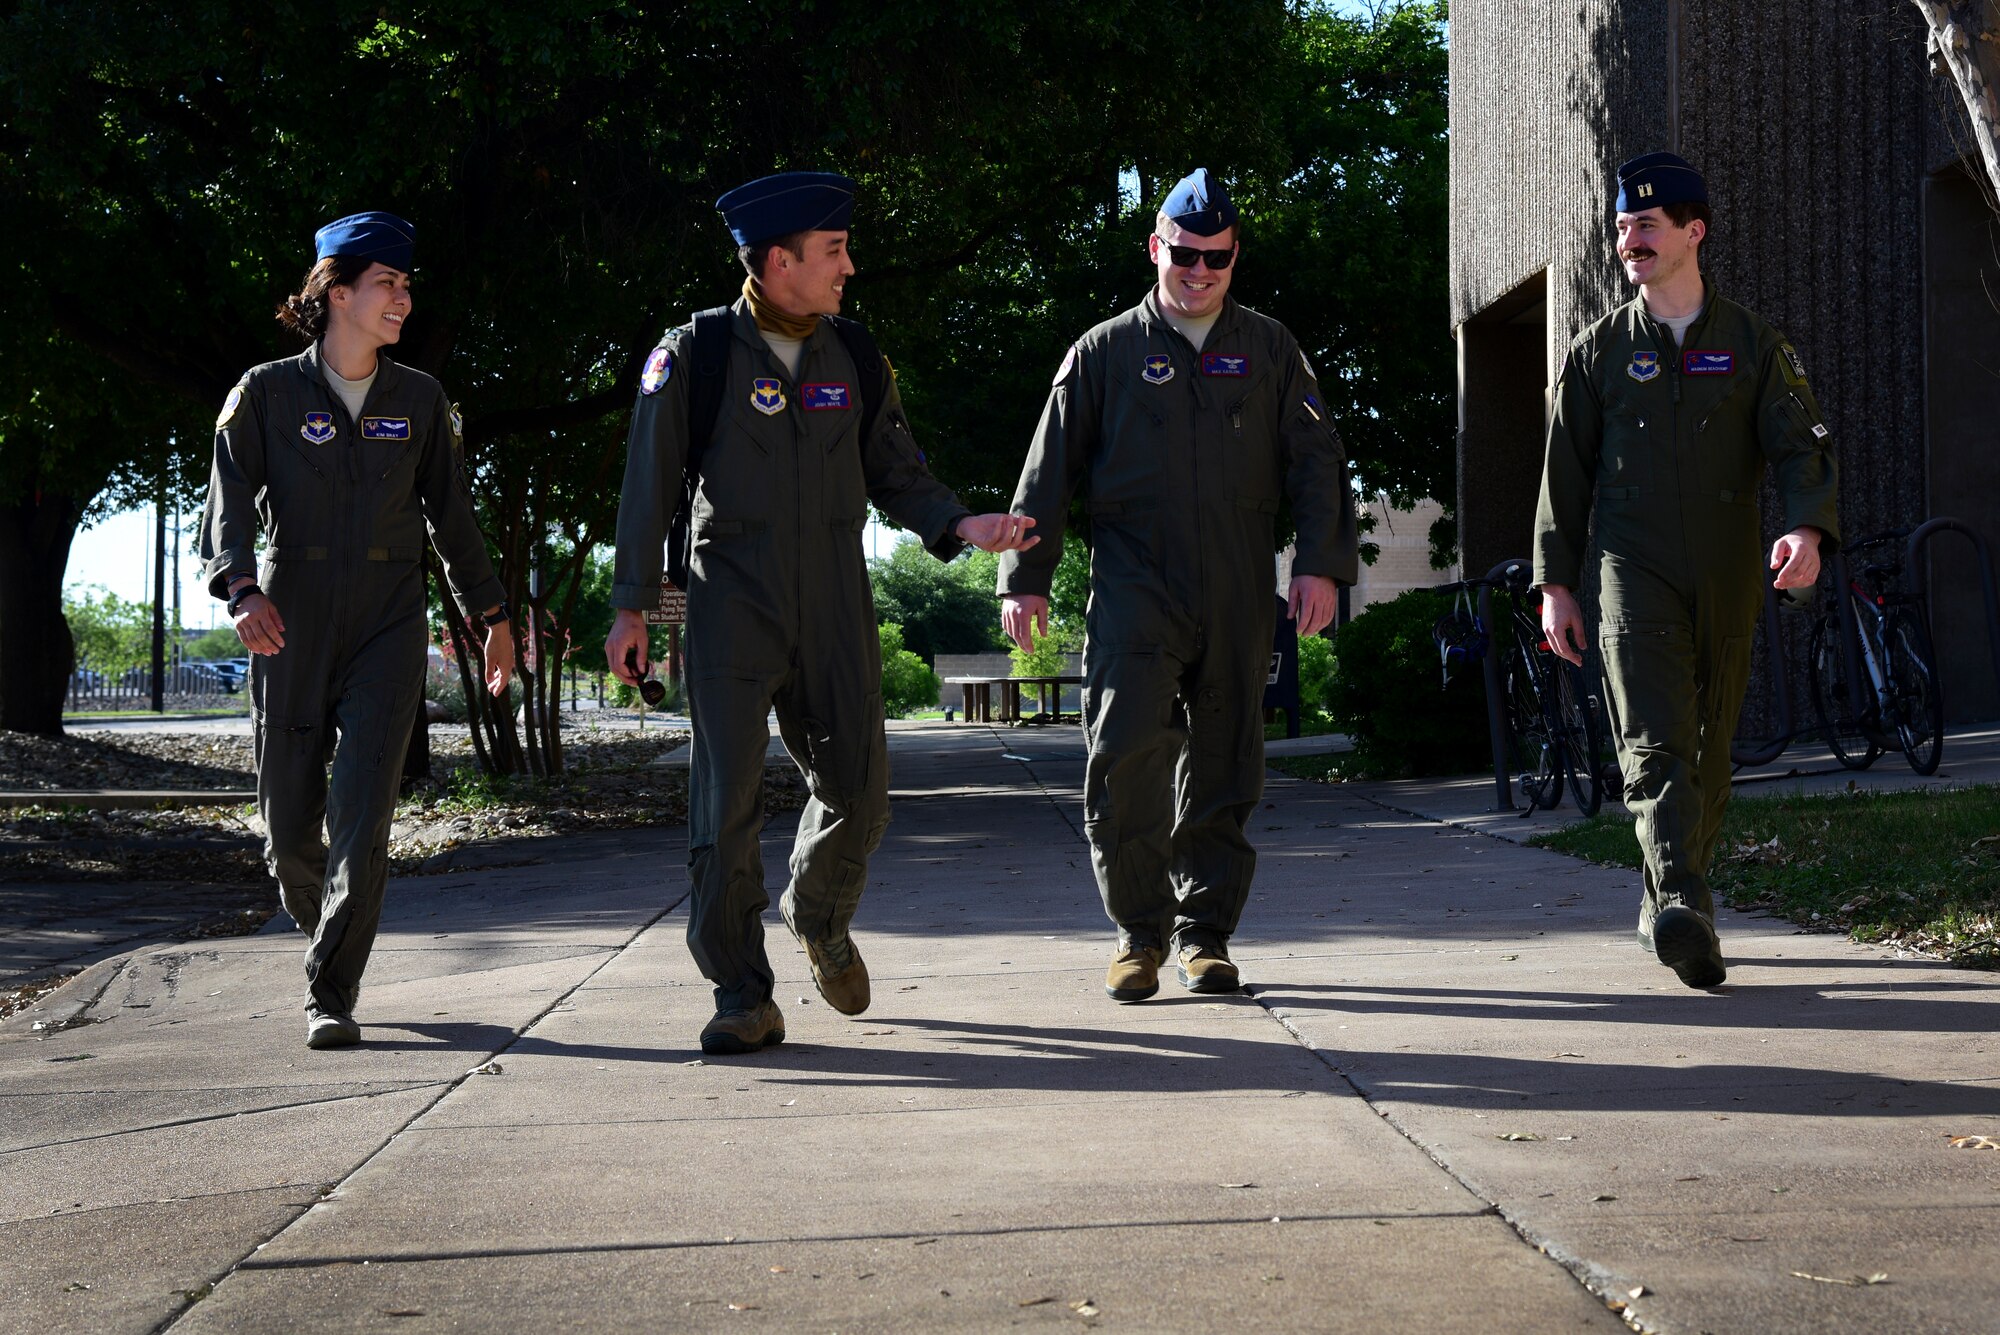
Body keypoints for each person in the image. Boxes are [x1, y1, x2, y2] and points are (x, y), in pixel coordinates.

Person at [605, 171, 1035, 1056]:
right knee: (722, 805)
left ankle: (817, 912)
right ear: (778, 259)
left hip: (838, 592)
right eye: (834, 251)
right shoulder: (696, 354)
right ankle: (740, 991)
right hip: (734, 595)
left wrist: (961, 522)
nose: (849, 266)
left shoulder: (856, 355)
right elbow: (647, 486)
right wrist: (630, 606)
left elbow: (897, 470)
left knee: (861, 793)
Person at [997, 168, 1357, 1003]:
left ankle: (1207, 937)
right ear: (1155, 247)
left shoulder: (1270, 348)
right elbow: (1045, 476)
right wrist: (1026, 579)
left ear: (1235, 259)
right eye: (1185, 255)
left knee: (1229, 762)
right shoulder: (1104, 351)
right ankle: (1137, 934)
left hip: (1237, 585)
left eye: (1217, 259)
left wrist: (1318, 565)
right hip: (1135, 586)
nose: (1199, 272)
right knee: (1124, 756)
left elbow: (1317, 463)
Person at [200, 212, 515, 1050]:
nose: (403, 300)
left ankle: (331, 989)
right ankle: (325, 932)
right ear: (337, 293)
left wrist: (493, 616)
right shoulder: (264, 393)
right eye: (389, 284)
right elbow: (226, 503)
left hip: (386, 618)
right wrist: (239, 591)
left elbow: (453, 519)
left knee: (363, 811)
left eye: (406, 286)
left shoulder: (420, 399)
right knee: (288, 832)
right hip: (288, 616)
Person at [1533, 153, 1839, 989]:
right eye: (1622, 226)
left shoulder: (1752, 343)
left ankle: (1665, 901)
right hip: (1630, 566)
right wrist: (1556, 583)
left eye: (1646, 225)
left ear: (1693, 232)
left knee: (1711, 747)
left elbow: (1800, 447)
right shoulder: (1598, 352)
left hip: (1729, 562)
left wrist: (1807, 530)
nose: (1628, 239)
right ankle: (1683, 901)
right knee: (1655, 739)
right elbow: (1565, 476)